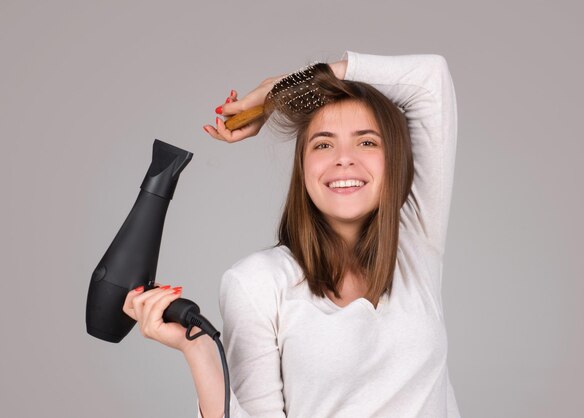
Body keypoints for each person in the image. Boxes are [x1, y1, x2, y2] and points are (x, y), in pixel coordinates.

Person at [123, 51, 460, 418]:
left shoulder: (415, 240)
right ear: (302, 167)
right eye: (323, 144)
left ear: (393, 160)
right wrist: (199, 350)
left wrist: (281, 91)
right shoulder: (257, 283)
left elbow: (430, 80)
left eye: (367, 142)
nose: (344, 158)